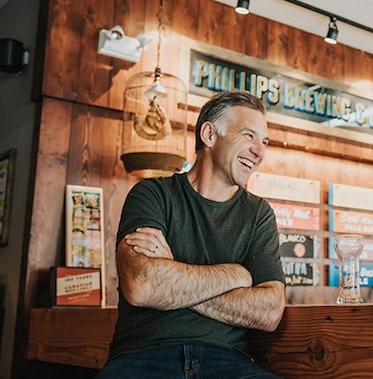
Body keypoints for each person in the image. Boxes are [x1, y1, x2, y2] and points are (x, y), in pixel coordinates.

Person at [97, 91, 286, 379]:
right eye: (249, 135)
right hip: (142, 357)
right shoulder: (152, 194)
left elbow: (270, 311)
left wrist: (172, 276)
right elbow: (141, 286)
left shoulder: (258, 214)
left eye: (265, 142)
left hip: (229, 363)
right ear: (209, 134)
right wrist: (235, 275)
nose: (259, 152)